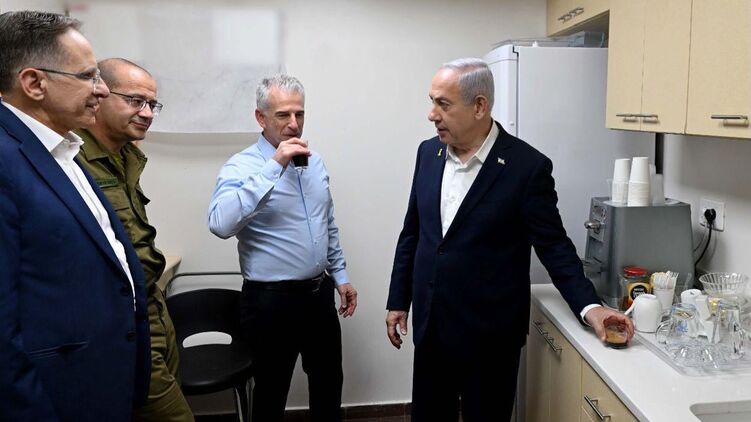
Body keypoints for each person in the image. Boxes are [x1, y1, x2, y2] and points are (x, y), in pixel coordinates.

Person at [385, 58, 634, 422]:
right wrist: (398, 299)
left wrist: (590, 307)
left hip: (489, 338)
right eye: (432, 101)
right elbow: (413, 232)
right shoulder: (429, 153)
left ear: (479, 106)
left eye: (443, 104)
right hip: (431, 326)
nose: (431, 114)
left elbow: (554, 246)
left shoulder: (526, 168)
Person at [0, 11, 150, 421]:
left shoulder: (62, 148)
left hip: (101, 382)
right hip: (55, 399)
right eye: (87, 76)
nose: (102, 89)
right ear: (34, 83)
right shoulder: (6, 160)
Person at [208, 75, 357, 422]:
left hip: (318, 295)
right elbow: (220, 224)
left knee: (329, 384)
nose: (294, 123)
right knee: (271, 393)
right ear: (260, 117)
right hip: (270, 302)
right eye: (283, 115)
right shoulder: (241, 166)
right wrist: (273, 166)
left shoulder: (314, 162)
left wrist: (341, 275)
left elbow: (326, 222)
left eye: (299, 114)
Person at [75, 58, 194, 422]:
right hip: (118, 321)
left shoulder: (125, 156)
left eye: (152, 104)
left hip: (153, 309)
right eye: (135, 101)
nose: (147, 113)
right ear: (100, 94)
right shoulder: (72, 159)